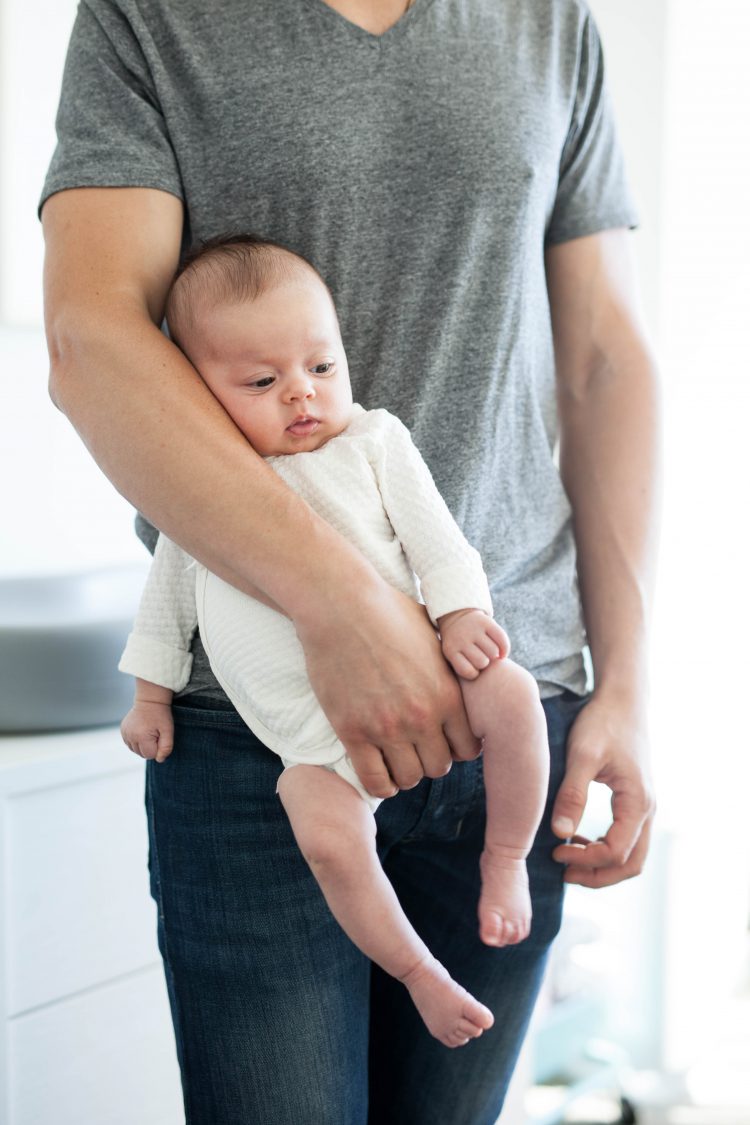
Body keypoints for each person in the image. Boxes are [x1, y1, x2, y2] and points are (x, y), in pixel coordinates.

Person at [40, 1, 659, 1121]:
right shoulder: (149, 17)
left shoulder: (550, 19)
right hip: (258, 727)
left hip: (518, 684)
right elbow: (94, 340)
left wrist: (627, 683)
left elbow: (606, 356)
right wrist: (346, 613)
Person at [119, 234, 553, 1047]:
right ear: (197, 394)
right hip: (310, 750)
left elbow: (439, 542)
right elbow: (166, 601)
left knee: (513, 691)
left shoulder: (373, 442)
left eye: (322, 367)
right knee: (325, 835)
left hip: (426, 678)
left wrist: (461, 613)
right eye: (261, 380)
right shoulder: (206, 483)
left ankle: (505, 856)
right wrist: (152, 691)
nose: (301, 395)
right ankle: (419, 971)